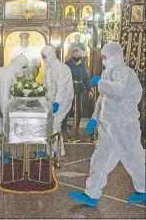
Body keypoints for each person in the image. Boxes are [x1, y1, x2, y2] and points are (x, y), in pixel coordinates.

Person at [68, 41, 146, 206]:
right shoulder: (106, 74)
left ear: (116, 55)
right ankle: (92, 194)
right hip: (107, 124)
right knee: (100, 159)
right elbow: (102, 99)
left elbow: (120, 92)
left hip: (124, 124)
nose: (104, 59)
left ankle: (142, 189)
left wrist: (101, 83)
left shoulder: (127, 73)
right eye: (102, 56)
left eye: (106, 56)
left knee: (132, 158)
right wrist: (95, 118)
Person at [41, 46, 74, 156]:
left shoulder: (61, 68)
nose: (43, 59)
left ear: (50, 55)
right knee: (49, 125)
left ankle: (57, 151)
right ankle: (49, 150)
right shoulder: (48, 68)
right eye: (42, 57)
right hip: (51, 101)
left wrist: (58, 102)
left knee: (55, 125)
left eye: (45, 56)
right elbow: (46, 84)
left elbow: (61, 87)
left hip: (62, 101)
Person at [63, 47, 93, 129]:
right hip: (69, 90)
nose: (77, 57)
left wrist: (89, 89)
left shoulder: (82, 64)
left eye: (78, 55)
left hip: (79, 89)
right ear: (72, 55)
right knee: (67, 108)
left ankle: (76, 126)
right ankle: (63, 126)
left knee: (78, 109)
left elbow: (86, 78)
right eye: (75, 55)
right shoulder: (67, 64)